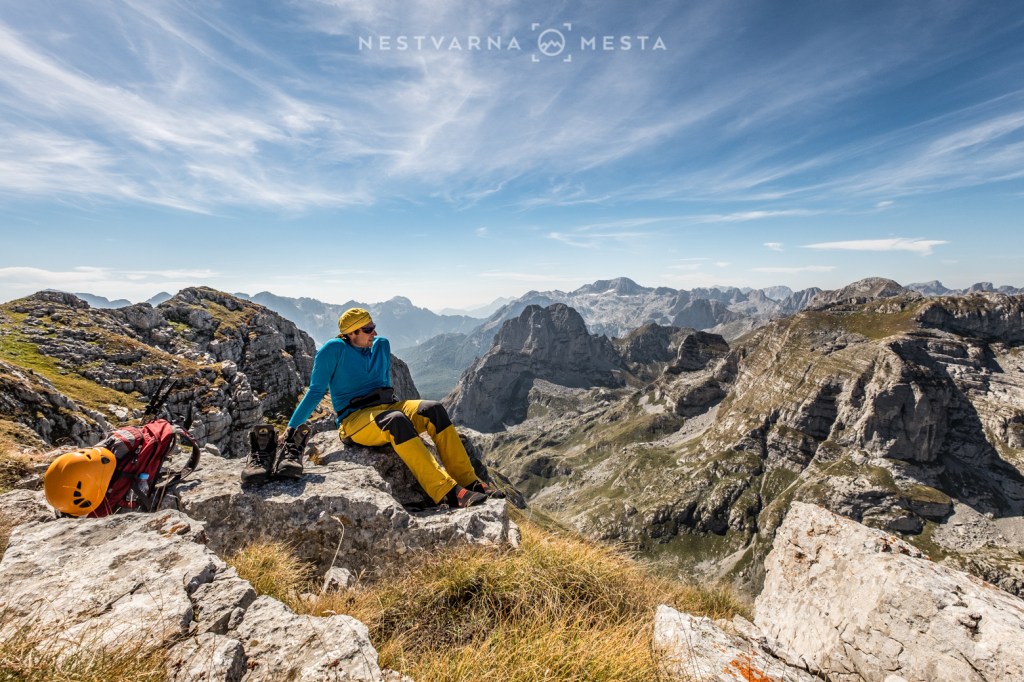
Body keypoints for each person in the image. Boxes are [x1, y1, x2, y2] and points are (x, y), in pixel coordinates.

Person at [243, 307, 501, 508]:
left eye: (373, 327)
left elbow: (383, 384)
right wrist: (291, 427)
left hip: (386, 407)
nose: (373, 333)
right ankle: (446, 492)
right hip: (354, 419)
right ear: (350, 333)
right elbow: (316, 392)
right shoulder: (332, 350)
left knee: (434, 409)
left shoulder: (382, 345)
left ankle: (469, 481)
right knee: (395, 420)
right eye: (367, 329)